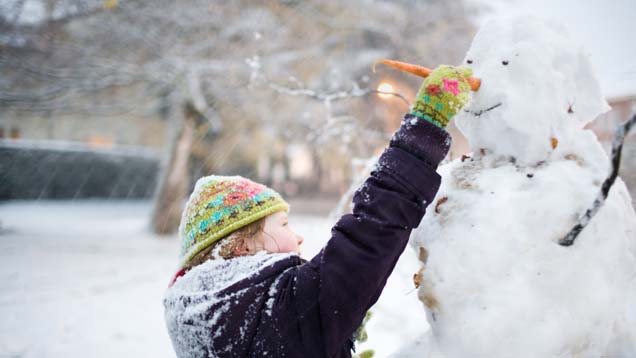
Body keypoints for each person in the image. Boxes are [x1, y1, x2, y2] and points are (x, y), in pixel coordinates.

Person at [163, 65, 473, 357]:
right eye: (283, 224)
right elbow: (369, 236)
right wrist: (426, 124)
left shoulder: (202, 316)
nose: (297, 237)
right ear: (242, 245)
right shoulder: (280, 309)